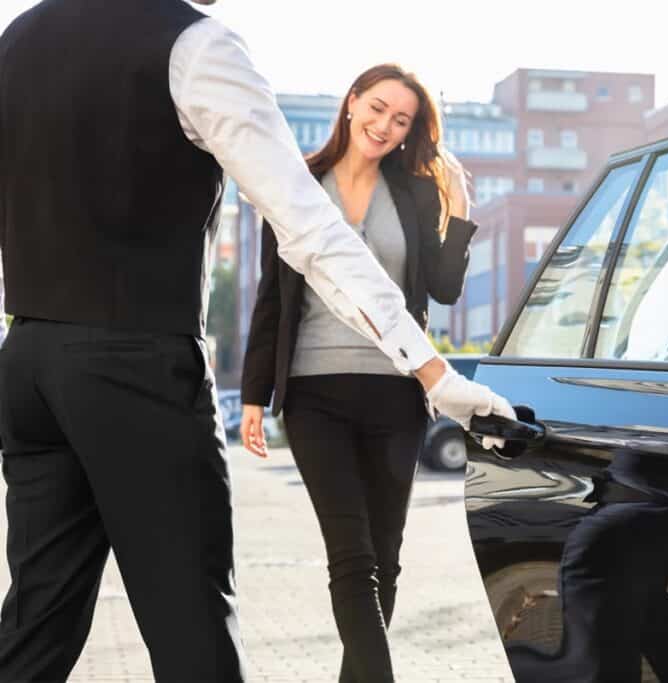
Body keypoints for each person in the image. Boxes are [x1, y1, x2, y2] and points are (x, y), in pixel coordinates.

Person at [0, 1, 512, 681]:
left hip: (29, 362)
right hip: (135, 368)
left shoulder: (19, 36)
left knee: (36, 621)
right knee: (192, 626)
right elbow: (312, 229)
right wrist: (437, 375)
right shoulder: (196, 45)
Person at [238, 64, 477, 682]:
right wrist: (254, 396)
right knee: (352, 559)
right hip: (315, 396)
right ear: (351, 103)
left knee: (385, 561)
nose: (385, 126)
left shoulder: (416, 193)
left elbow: (446, 290)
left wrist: (457, 207)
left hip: (397, 394)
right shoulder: (297, 186)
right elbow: (273, 296)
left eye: (401, 120)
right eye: (377, 108)